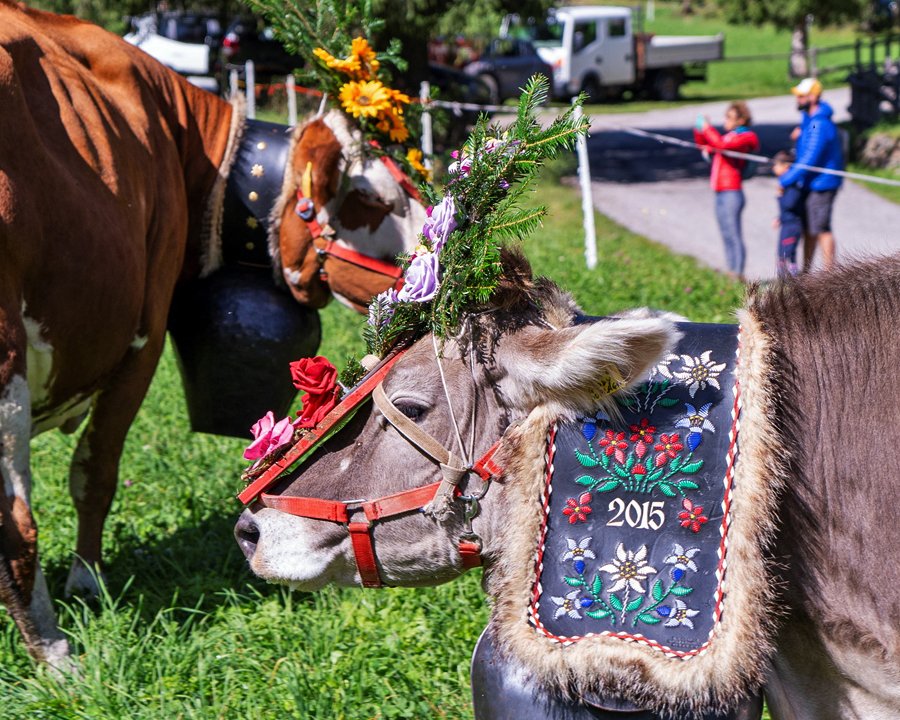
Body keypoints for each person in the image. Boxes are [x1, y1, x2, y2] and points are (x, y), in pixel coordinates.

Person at [777, 77, 844, 270]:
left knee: (821, 228)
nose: (798, 99)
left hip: (822, 184)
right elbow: (808, 141)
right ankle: (807, 273)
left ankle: (830, 276)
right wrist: (801, 132)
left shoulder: (819, 124)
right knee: (809, 229)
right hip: (811, 183)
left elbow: (809, 158)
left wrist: (786, 179)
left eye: (802, 95)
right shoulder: (811, 120)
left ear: (813, 97)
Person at [693, 101, 761, 282]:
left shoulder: (746, 136)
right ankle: (731, 270)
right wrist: (699, 129)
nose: (726, 120)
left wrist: (707, 128)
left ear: (741, 119)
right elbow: (704, 144)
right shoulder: (730, 136)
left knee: (734, 233)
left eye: (730, 117)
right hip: (720, 191)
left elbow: (720, 145)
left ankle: (738, 274)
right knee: (725, 233)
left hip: (732, 191)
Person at [771, 150, 804, 278]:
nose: (773, 168)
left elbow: (790, 204)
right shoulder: (788, 183)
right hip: (787, 222)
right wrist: (779, 218)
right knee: (782, 251)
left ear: (786, 166)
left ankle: (791, 279)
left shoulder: (792, 185)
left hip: (792, 225)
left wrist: (779, 195)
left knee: (787, 252)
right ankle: (783, 279)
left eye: (776, 165)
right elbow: (786, 209)